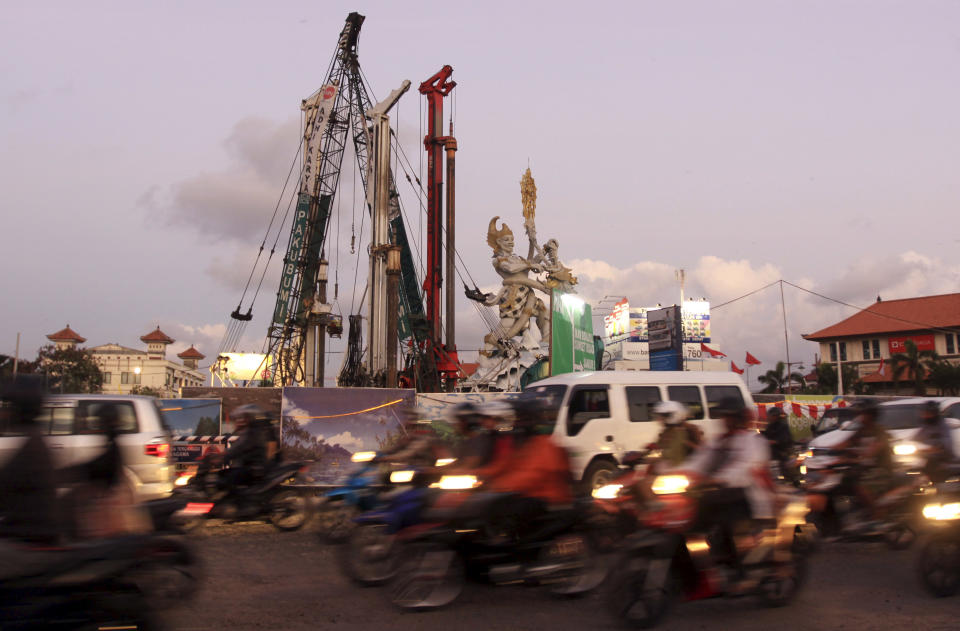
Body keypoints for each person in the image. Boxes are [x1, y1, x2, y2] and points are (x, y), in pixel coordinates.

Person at [679, 397, 774, 579]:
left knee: (725, 520)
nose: (724, 420)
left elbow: (745, 467)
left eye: (728, 416)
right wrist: (678, 475)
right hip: (719, 493)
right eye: (723, 416)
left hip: (747, 495)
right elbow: (698, 462)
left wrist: (716, 480)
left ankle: (737, 568)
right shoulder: (718, 441)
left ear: (738, 418)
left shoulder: (753, 441)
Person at [222, 404, 269, 493]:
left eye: (243, 417)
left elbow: (238, 448)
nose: (239, 420)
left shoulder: (252, 433)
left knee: (227, 480)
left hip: (254, 469)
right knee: (225, 474)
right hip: (248, 467)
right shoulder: (249, 432)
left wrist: (223, 456)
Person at [651, 400, 703, 467]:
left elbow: (701, 449)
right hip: (668, 464)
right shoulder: (666, 430)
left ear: (674, 415)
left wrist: (686, 443)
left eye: (663, 416)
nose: (660, 419)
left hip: (686, 465)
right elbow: (659, 446)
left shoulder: (690, 429)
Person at [914, 400, 956, 483]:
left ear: (934, 413)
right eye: (924, 413)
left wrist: (937, 447)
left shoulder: (943, 427)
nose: (925, 415)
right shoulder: (925, 427)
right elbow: (915, 440)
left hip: (942, 459)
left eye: (928, 413)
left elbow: (946, 443)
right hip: (925, 459)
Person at [762, 407, 797, 485]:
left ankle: (793, 482)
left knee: (788, 470)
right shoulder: (769, 426)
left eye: (771, 416)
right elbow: (765, 436)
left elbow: (785, 439)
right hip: (773, 454)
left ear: (776, 416)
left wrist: (774, 441)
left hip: (784, 452)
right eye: (769, 415)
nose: (769, 417)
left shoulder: (783, 426)